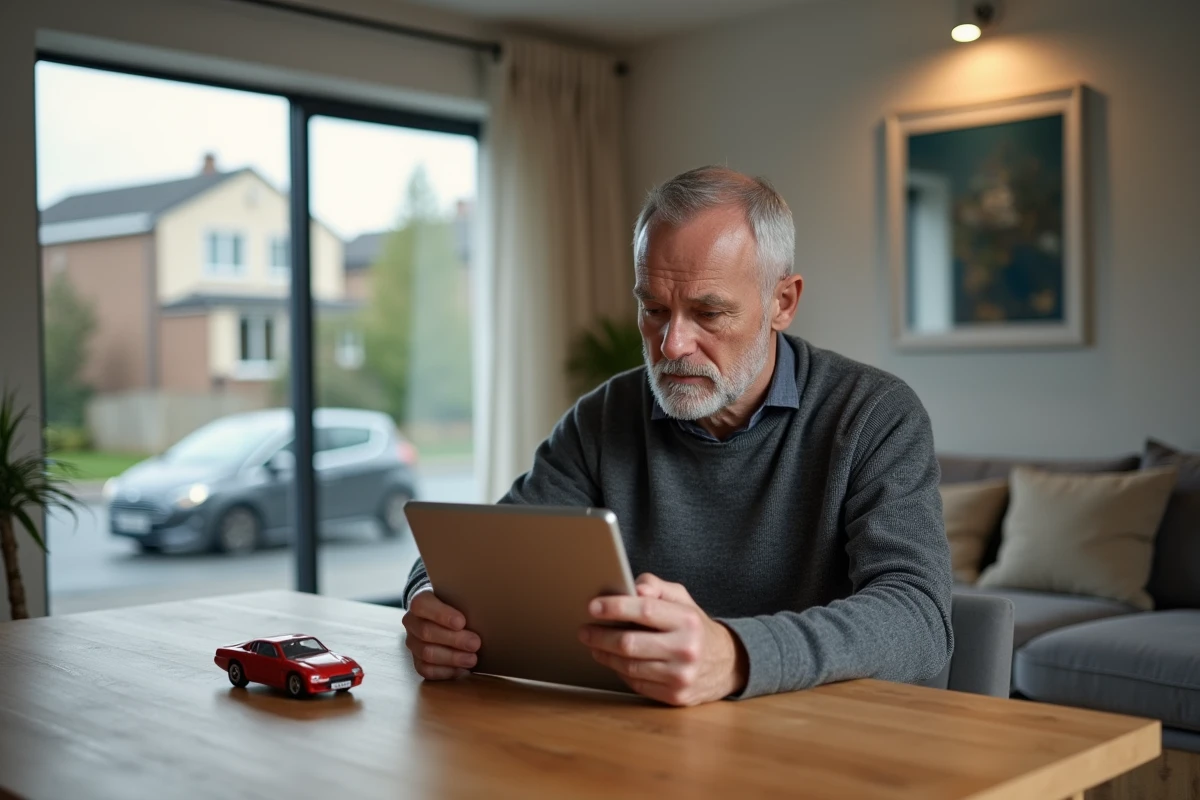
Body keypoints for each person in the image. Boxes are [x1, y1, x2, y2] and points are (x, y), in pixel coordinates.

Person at [401, 165, 953, 706]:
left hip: (821, 744)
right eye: (654, 309)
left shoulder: (874, 416)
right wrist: (432, 603)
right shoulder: (605, 417)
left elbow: (919, 616)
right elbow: (489, 553)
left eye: (709, 313)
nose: (671, 345)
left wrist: (737, 655)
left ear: (782, 302)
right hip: (647, 746)